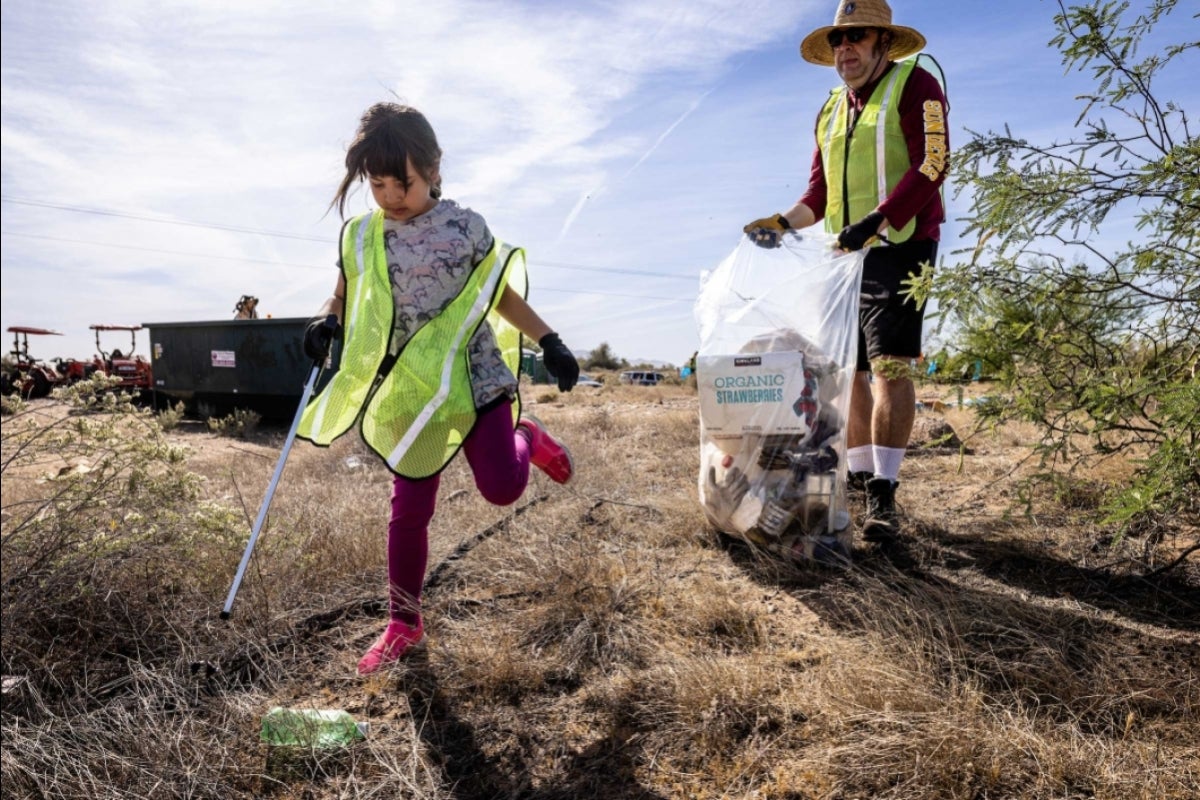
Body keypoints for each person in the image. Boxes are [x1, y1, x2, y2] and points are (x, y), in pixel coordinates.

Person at [298, 102, 581, 675]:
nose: (388, 195)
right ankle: (403, 621)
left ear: (431, 167)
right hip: (409, 388)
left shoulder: (466, 228)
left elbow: (498, 295)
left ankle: (527, 435)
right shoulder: (361, 236)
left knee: (502, 489)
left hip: (474, 381)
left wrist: (549, 339)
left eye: (400, 182)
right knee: (409, 510)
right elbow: (346, 291)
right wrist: (328, 318)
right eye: (376, 184)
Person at [743, 0, 948, 545]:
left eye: (857, 35)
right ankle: (856, 481)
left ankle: (885, 495)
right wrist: (782, 222)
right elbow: (819, 194)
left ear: (884, 42)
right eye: (837, 39)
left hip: (901, 245)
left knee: (891, 367)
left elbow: (933, 164)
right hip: (844, 255)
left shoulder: (917, 85)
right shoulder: (830, 108)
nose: (845, 48)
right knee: (849, 370)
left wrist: (878, 222)